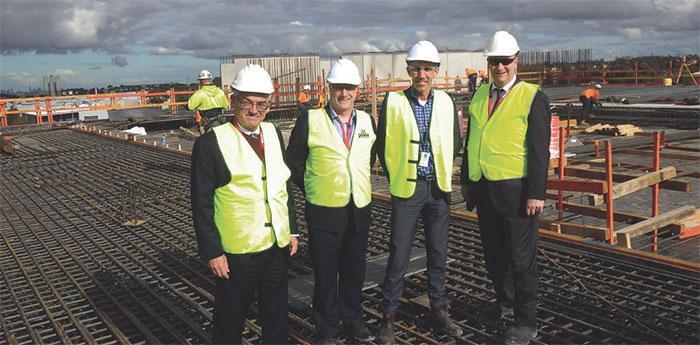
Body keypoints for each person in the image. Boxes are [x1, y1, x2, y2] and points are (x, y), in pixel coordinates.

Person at [191, 64, 298, 344]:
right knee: (230, 321)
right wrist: (212, 252)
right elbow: (201, 203)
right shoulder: (211, 143)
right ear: (233, 101)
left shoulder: (273, 134)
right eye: (247, 103)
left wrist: (293, 230)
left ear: (269, 106)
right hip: (236, 254)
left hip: (275, 246)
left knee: (276, 316)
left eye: (261, 105)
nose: (253, 111)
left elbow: (283, 184)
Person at [460, 31, 551, 345]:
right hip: (485, 190)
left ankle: (526, 321)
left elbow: (540, 150)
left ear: (516, 60)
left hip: (517, 193)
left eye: (505, 61)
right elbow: (471, 142)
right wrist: (466, 181)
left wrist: (537, 192)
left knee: (521, 259)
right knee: (494, 254)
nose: (500, 67)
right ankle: (504, 301)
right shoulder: (479, 95)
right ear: (487, 63)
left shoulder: (532, 96)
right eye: (494, 61)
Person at [376, 40, 463, 344]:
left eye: (428, 69)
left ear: (436, 71)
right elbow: (383, 145)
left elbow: (454, 142)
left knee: (438, 254)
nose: (422, 74)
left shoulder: (446, 102)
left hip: (437, 189)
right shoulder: (394, 101)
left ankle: (438, 310)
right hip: (408, 190)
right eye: (417, 68)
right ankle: (388, 315)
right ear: (409, 70)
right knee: (399, 254)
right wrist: (398, 174)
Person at [287, 59, 377, 345]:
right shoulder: (311, 120)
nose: (344, 93)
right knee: (325, 276)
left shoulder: (366, 121)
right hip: (324, 212)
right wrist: (314, 186)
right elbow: (294, 163)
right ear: (330, 89)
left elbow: (369, 155)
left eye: (349, 88)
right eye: (339, 88)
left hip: (358, 211)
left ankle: (353, 320)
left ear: (357, 90)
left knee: (354, 272)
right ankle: (326, 330)